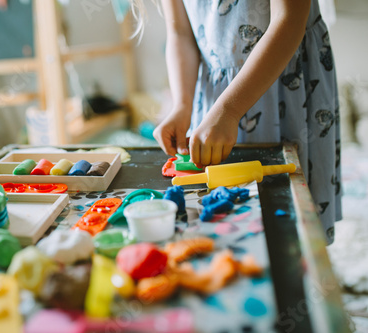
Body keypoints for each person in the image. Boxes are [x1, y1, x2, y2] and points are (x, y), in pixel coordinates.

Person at [136, 0, 341, 244]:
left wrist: (230, 110)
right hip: (216, 103)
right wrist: (182, 104)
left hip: (283, 86)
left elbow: (288, 19)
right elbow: (180, 34)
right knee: (231, 223)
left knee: (293, 225)